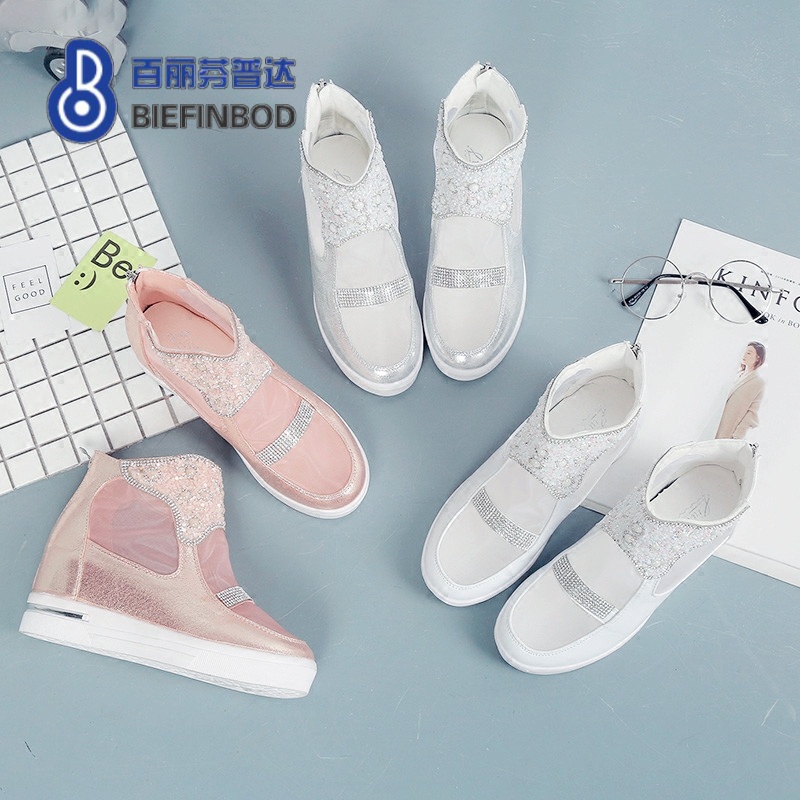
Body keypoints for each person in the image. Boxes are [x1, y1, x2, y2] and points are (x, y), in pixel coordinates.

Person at [715, 341, 766, 439]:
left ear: (758, 357)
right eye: (744, 352)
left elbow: (752, 414)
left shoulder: (758, 382)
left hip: (729, 433)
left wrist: (737, 436)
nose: (744, 355)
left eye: (749, 353)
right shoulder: (737, 375)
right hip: (716, 425)